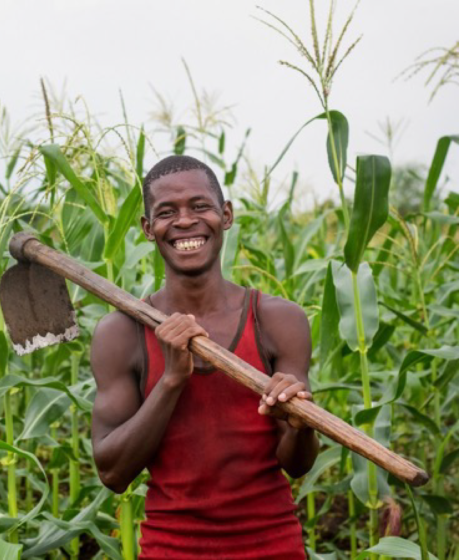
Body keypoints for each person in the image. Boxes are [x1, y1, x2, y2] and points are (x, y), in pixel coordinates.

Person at [90, 155, 319, 559]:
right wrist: (172, 380)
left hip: (273, 547)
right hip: (171, 549)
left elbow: (297, 465)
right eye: (166, 212)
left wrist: (301, 424)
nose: (184, 221)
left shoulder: (278, 321)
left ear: (225, 215)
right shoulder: (121, 334)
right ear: (147, 229)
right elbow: (112, 472)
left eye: (200, 206)